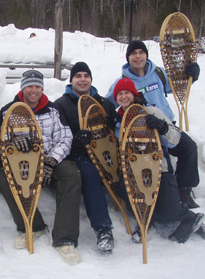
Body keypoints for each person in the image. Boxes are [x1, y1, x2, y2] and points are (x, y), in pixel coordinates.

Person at [112, 78, 205, 243]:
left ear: (134, 95)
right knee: (130, 198)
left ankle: (193, 221)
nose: (124, 97)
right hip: (134, 173)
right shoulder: (117, 121)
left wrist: (162, 127)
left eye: (127, 93)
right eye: (120, 94)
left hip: (159, 168)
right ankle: (150, 220)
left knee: (170, 209)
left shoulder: (151, 112)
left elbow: (175, 140)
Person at [0, 70, 82, 264]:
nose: (33, 90)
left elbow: (65, 138)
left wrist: (51, 161)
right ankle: (33, 226)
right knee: (4, 174)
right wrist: (12, 142)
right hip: (22, 162)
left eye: (37, 86)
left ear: (42, 88)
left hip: (51, 159)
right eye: (29, 86)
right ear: (23, 88)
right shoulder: (8, 111)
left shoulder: (53, 111)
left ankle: (64, 238)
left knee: (71, 175)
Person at [106, 40, 201, 209]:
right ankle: (168, 196)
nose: (137, 56)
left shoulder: (159, 73)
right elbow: (107, 104)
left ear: (146, 55)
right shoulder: (123, 82)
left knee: (189, 147)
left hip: (165, 124)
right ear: (128, 57)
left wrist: (191, 75)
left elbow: (179, 84)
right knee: (164, 167)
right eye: (133, 53)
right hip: (144, 133)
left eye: (140, 52)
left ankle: (184, 189)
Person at [54, 62, 117, 254]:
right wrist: (77, 142)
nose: (82, 79)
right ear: (71, 80)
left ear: (91, 79)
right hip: (77, 155)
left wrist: (110, 124)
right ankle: (103, 229)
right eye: (78, 76)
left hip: (104, 151)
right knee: (90, 173)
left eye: (86, 76)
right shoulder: (61, 105)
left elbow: (116, 131)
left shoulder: (104, 103)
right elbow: (58, 137)